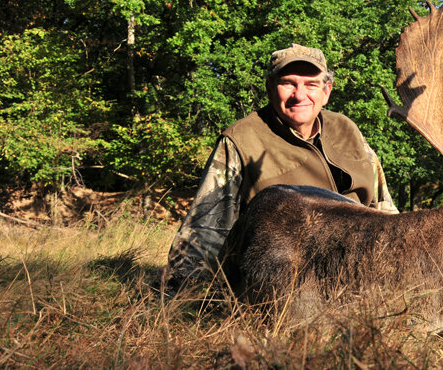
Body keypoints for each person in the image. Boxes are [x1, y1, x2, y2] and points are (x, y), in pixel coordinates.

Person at [164, 43, 398, 289]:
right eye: (288, 83)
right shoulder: (242, 139)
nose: (299, 95)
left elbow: (384, 207)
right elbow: (205, 227)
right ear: (269, 87)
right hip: (287, 279)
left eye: (311, 84)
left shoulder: (346, 130)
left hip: (362, 271)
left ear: (327, 91)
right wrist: (182, 292)